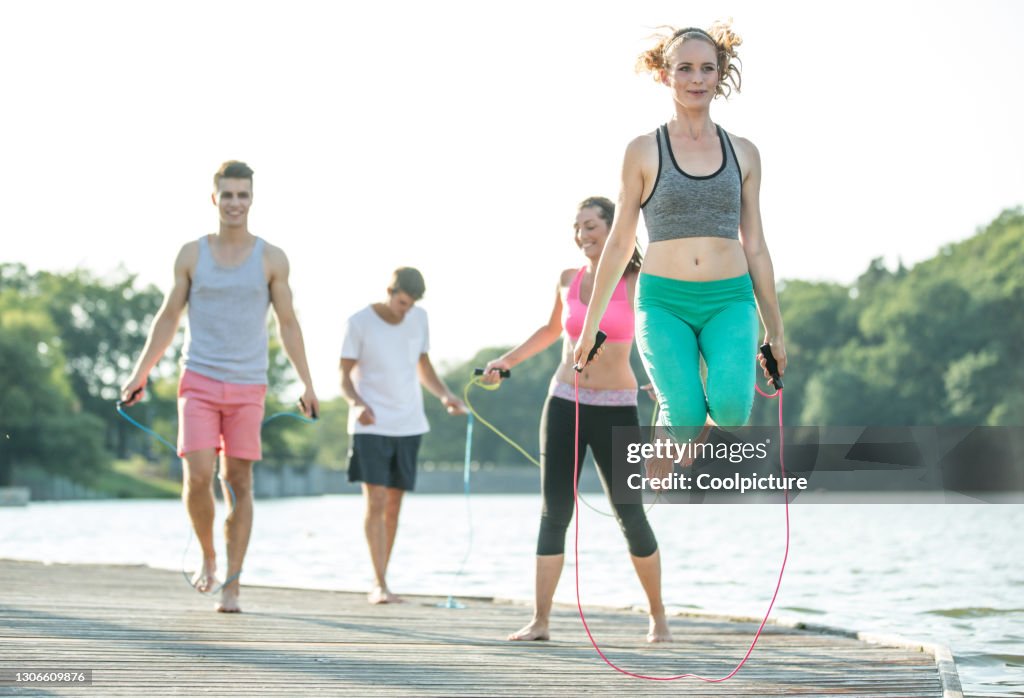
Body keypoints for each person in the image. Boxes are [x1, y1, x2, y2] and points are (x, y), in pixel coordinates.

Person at [573, 22, 787, 481]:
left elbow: (756, 246)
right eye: (685, 68)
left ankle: (686, 415)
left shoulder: (744, 153)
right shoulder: (643, 151)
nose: (696, 79)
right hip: (663, 302)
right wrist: (590, 328)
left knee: (731, 413)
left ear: (719, 73)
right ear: (664, 74)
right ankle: (674, 420)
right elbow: (620, 242)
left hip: (730, 300)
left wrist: (776, 331)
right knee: (686, 417)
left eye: (707, 68)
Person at [120, 160, 319, 613]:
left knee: (238, 481)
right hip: (199, 380)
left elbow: (288, 323)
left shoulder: (272, 259)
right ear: (215, 198)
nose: (234, 203)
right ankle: (209, 556)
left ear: (252, 199)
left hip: (249, 387)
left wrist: (307, 382)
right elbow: (169, 317)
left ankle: (233, 581)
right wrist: (140, 372)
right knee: (197, 476)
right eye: (227, 195)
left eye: (242, 195)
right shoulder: (192, 254)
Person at [483, 197, 671, 643]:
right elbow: (552, 332)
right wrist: (506, 362)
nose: (582, 234)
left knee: (630, 514)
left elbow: (660, 335)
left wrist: (664, 382)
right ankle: (540, 621)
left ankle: (658, 617)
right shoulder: (568, 280)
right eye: (577, 227)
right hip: (565, 401)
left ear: (614, 229)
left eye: (591, 225)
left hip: (618, 408)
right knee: (555, 512)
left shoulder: (638, 281)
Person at [339, 267, 467, 605]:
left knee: (394, 504)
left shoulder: (419, 318)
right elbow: (343, 376)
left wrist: (445, 396)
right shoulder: (359, 322)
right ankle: (379, 583)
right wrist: (356, 403)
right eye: (402, 303)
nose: (405, 310)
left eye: (411, 305)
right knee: (376, 500)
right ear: (390, 291)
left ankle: (385, 577)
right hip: (371, 424)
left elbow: (423, 365)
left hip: (409, 423)